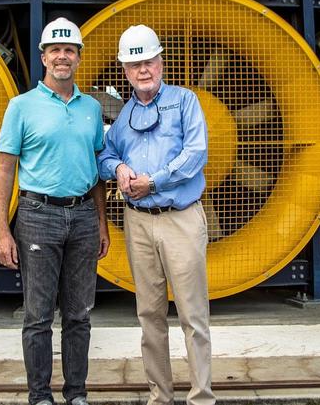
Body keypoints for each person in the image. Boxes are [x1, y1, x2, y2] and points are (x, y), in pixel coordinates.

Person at [0, 17, 110, 405]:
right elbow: (5, 169)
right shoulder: (21, 106)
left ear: (78, 58)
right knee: (38, 316)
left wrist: (102, 224)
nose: (63, 56)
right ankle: (39, 396)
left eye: (70, 50)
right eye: (55, 50)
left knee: (79, 315)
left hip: (82, 218)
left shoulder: (92, 107)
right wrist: (2, 232)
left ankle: (77, 394)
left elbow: (96, 172)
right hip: (37, 215)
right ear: (44, 57)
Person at [97, 25, 214, 405]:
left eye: (148, 61)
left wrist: (155, 181)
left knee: (192, 315)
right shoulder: (125, 113)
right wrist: (118, 170)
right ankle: (159, 396)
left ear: (160, 62)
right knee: (149, 314)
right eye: (134, 65)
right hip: (138, 222)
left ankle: (200, 398)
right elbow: (105, 153)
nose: (142, 70)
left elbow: (196, 154)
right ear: (125, 72)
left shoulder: (185, 101)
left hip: (180, 218)